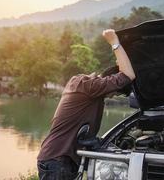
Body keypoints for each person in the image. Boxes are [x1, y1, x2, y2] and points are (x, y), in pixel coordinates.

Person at [37, 29, 136, 180]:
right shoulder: (88, 86)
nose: (111, 96)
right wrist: (114, 42)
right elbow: (128, 75)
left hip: (57, 160)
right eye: (114, 93)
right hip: (58, 162)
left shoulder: (81, 84)